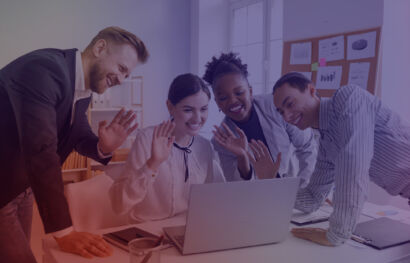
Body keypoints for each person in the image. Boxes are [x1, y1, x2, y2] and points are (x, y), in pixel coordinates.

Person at [0, 26, 149, 263]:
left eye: (127, 75)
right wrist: (64, 231)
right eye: (122, 69)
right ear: (100, 48)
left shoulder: (81, 88)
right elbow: (41, 150)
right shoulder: (44, 70)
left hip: (20, 187)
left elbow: (77, 134)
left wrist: (103, 146)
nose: (122, 80)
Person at [273, 72, 410, 246]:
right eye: (281, 112)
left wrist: (336, 234)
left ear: (311, 90)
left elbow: (353, 165)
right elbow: (313, 197)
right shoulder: (326, 143)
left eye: (290, 104)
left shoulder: (349, 98)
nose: (286, 116)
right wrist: (273, 192)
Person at [109, 73, 225, 222]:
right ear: (170, 107)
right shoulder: (146, 139)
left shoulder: (204, 146)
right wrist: (152, 164)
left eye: (203, 109)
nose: (197, 118)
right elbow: (119, 205)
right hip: (147, 231)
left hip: (187, 229)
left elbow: (210, 198)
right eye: (188, 110)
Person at [202, 52, 317, 183]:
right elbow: (237, 188)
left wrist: (303, 189)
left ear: (250, 92)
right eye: (223, 98)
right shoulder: (221, 141)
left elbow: (307, 147)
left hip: (292, 187)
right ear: (217, 102)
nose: (233, 100)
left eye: (239, 92)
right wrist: (242, 156)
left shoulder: (276, 106)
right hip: (256, 198)